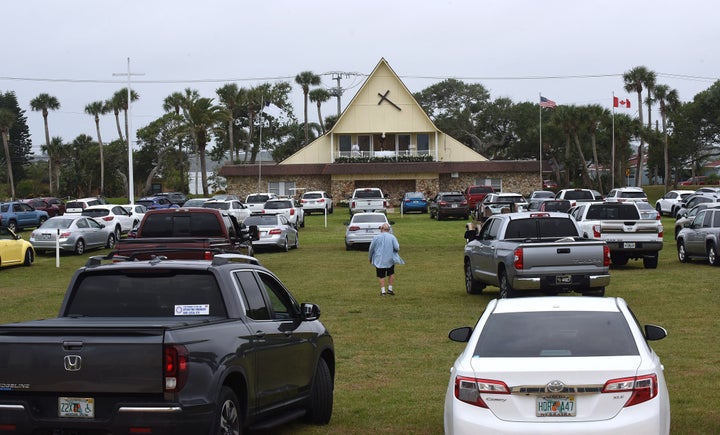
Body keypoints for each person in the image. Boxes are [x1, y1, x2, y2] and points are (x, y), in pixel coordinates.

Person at [368, 223, 404, 296]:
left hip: (379, 259)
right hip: (390, 259)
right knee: (391, 273)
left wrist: (370, 257)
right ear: (388, 230)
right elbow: (397, 247)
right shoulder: (392, 237)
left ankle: (383, 291)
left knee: (381, 275)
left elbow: (371, 248)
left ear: (382, 229)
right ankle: (390, 289)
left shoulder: (376, 237)